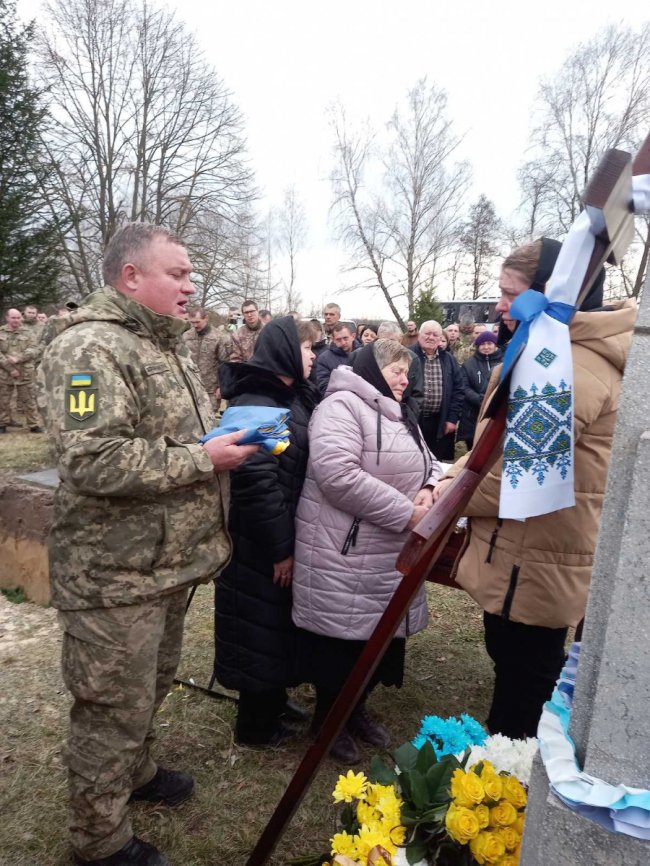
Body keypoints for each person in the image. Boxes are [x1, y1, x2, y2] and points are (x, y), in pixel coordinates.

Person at [36, 222, 259, 866]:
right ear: (131, 277)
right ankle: (99, 840)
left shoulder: (160, 344)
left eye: (192, 274)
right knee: (110, 708)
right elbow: (91, 460)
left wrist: (223, 435)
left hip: (161, 564)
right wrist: (201, 458)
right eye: (179, 274)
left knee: (149, 686)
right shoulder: (87, 351)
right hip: (113, 575)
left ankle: (136, 773)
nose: (192, 286)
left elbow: (165, 433)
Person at [434, 237, 636, 740]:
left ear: (550, 292)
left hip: (538, 564)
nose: (500, 304)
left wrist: (442, 494)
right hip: (525, 556)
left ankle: (505, 795)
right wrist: (449, 475)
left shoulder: (571, 368)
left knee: (521, 703)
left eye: (509, 292)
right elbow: (494, 452)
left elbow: (518, 477)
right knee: (513, 670)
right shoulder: (550, 350)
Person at [292, 339, 442, 763]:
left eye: (406, 371)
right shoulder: (341, 407)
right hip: (344, 551)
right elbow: (338, 475)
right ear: (374, 371)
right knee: (341, 647)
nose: (404, 378)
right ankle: (327, 722)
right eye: (397, 370)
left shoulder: (396, 411)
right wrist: (406, 513)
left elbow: (427, 458)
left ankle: (353, 711)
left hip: (383, 552)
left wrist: (430, 488)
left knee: (373, 643)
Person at [213, 317, 320, 746]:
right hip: (258, 540)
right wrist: (281, 548)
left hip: (274, 532)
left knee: (272, 624)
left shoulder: (284, 396)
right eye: (309, 348)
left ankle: (273, 700)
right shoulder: (261, 401)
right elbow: (257, 481)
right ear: (287, 352)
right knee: (255, 625)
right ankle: (254, 726)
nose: (314, 356)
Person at [412, 320, 464, 461]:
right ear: (419, 335)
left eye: (435, 334)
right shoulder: (408, 356)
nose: (431, 337)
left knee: (435, 460)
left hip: (439, 421)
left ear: (440, 338)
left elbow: (458, 390)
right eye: (427, 333)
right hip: (414, 420)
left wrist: (452, 419)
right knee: (414, 458)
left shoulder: (449, 360)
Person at [456, 330, 502, 449]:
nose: (486, 347)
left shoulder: (504, 361)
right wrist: (481, 400)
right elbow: (464, 387)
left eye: (489, 343)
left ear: (495, 344)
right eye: (482, 344)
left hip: (498, 412)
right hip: (473, 414)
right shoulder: (469, 365)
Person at [0, 308, 42, 434]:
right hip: (5, 372)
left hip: (25, 372)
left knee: (29, 399)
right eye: (13, 318)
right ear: (7, 318)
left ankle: (34, 425)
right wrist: (10, 368)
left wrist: (18, 358)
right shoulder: (0, 332)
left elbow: (34, 349)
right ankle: (2, 423)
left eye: (18, 318)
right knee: (3, 400)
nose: (16, 320)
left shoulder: (28, 332)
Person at [183, 307, 231, 413]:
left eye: (197, 322)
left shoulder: (219, 337)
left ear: (206, 318)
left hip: (210, 389)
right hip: (190, 387)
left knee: (209, 419)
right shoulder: (186, 336)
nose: (195, 325)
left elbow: (225, 364)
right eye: (192, 322)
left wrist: (221, 387)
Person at [314, 321, 355, 395]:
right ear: (333, 339)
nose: (343, 342)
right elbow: (324, 387)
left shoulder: (363, 354)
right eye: (338, 340)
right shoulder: (324, 359)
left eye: (345, 338)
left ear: (353, 336)